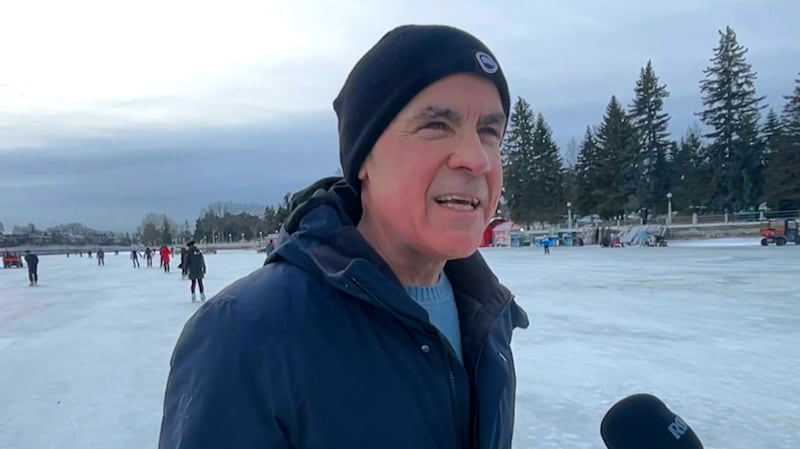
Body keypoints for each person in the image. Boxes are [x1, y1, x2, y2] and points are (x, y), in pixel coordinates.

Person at [159, 25, 528, 449]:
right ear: (364, 157)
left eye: (489, 132)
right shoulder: (244, 337)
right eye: (437, 125)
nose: (477, 159)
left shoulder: (487, 318)